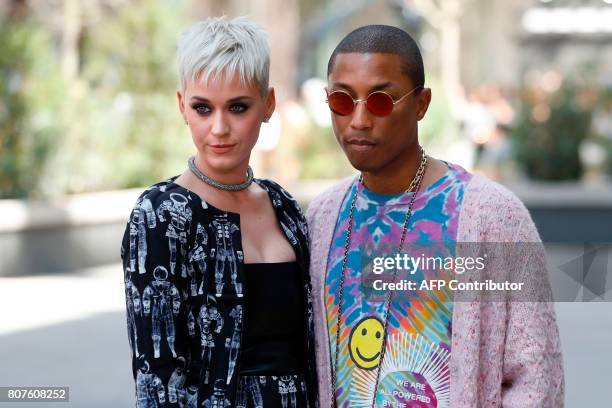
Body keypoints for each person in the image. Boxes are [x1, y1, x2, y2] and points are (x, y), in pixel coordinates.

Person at [306, 25, 564, 407]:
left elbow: (537, 379)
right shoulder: (322, 217)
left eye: (380, 100)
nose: (358, 120)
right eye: (342, 101)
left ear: (421, 104)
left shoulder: (495, 215)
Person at [121, 16, 318, 407]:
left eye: (238, 107)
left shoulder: (285, 208)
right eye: (203, 108)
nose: (220, 128)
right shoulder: (162, 214)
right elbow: (158, 381)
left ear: (268, 104)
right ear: (182, 106)